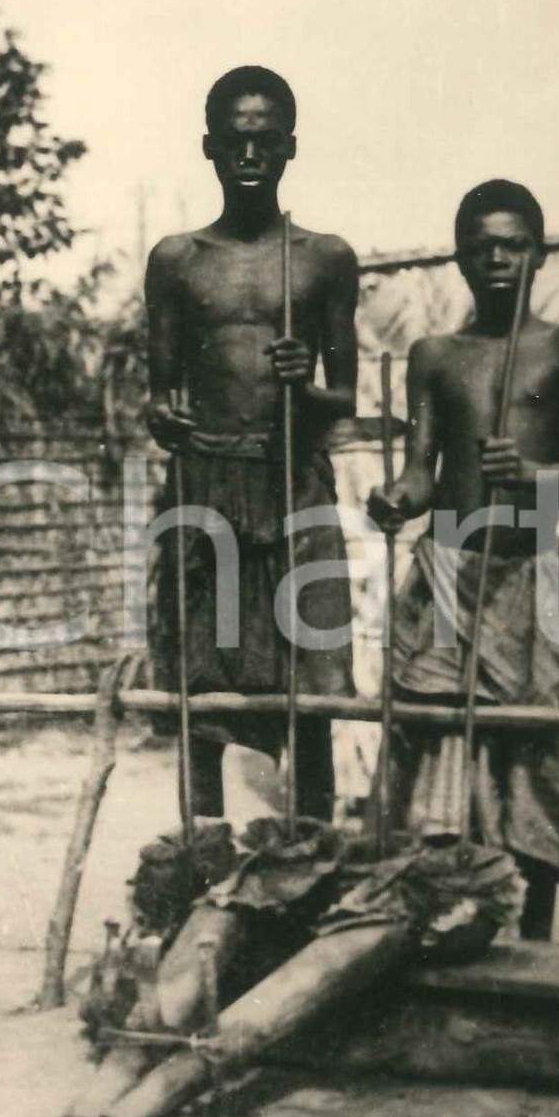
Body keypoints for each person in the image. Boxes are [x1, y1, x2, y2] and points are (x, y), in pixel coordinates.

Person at [367, 179, 559, 940]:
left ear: (541, 253)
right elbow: (420, 468)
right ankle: (432, 921)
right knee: (433, 737)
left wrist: (530, 477)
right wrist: (397, 499)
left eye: (514, 245)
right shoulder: (435, 355)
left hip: (526, 570)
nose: (498, 258)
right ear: (459, 259)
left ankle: (534, 933)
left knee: (530, 745)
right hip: (444, 571)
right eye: (482, 247)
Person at [146, 66, 359, 823]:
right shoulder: (178, 260)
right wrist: (165, 421)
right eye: (234, 141)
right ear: (209, 147)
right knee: (199, 688)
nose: (249, 155)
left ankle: (313, 856)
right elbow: (161, 396)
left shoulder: (323, 258)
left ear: (289, 148)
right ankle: (199, 859)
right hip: (204, 483)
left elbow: (346, 398)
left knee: (312, 681)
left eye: (265, 141)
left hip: (293, 480)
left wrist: (306, 385)